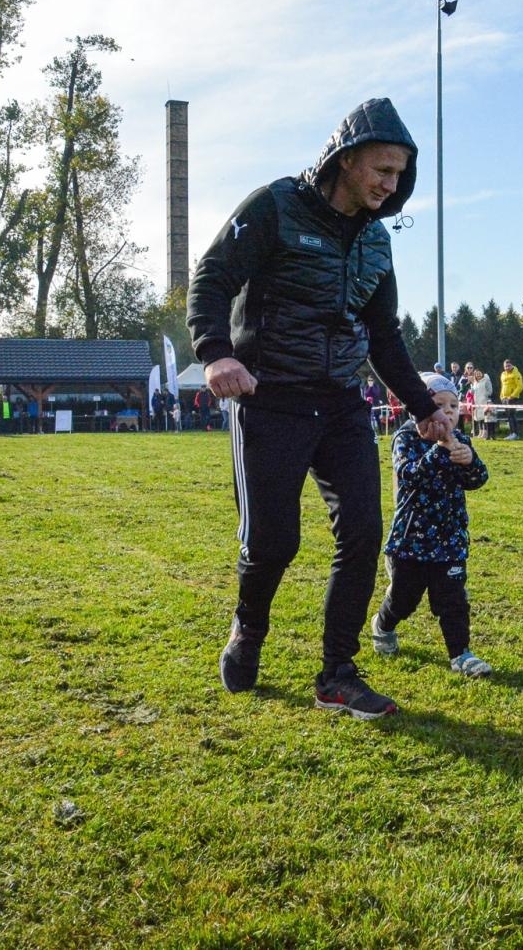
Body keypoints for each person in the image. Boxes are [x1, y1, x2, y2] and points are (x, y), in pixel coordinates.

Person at [187, 97, 453, 719]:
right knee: (273, 543)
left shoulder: (377, 243)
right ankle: (248, 630)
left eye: (400, 176)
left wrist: (421, 406)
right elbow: (212, 276)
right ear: (347, 158)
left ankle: (338, 673)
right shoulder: (275, 207)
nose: (393, 186)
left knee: (362, 535)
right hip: (269, 398)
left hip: (340, 403)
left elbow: (383, 336)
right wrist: (216, 352)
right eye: (383, 171)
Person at [370, 373, 493, 676]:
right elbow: (409, 476)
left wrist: (470, 463)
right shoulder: (407, 438)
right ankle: (383, 625)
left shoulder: (460, 439)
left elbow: (477, 480)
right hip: (410, 541)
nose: (448, 411)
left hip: (450, 540)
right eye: (440, 405)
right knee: (404, 599)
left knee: (452, 600)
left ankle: (461, 654)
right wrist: (440, 450)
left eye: (453, 405)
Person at [498, 358, 523, 439]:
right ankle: (512, 433)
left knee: (512, 416)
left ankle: (515, 433)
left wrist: (512, 396)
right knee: (508, 416)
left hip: (512, 398)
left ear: (512, 365)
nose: (507, 367)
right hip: (504, 398)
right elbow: (502, 386)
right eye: (505, 366)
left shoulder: (517, 373)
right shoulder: (503, 374)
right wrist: (501, 396)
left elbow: (520, 386)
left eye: (508, 366)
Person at [468, 364, 494, 440]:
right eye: (476, 374)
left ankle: (485, 433)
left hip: (484, 402)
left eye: (479, 373)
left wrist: (485, 396)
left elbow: (490, 391)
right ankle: (480, 432)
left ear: (482, 373)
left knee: (485, 419)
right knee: (479, 418)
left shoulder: (486, 380)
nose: (478, 375)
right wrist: (471, 390)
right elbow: (473, 392)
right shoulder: (475, 383)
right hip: (477, 403)